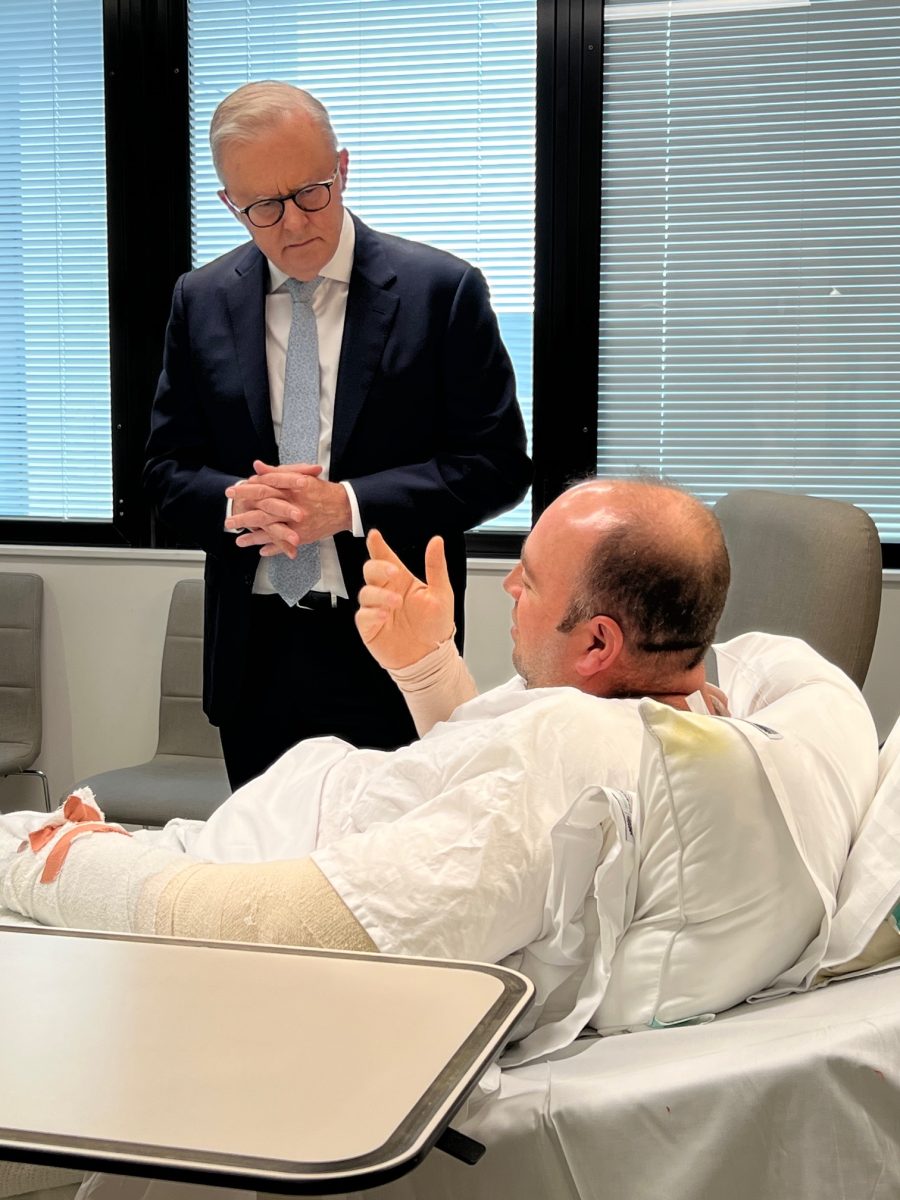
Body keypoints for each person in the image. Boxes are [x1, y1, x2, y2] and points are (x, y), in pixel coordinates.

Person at [0, 479, 877, 1062]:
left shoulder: (577, 757)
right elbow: (502, 808)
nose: (509, 591)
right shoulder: (781, 700)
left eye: (528, 581)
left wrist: (52, 858)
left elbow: (273, 924)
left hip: (212, 892)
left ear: (599, 643)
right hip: (259, 840)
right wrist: (428, 671)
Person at [144, 80, 531, 790]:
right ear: (232, 204)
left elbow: (498, 464)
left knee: (392, 882)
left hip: (392, 650)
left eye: (310, 193)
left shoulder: (440, 292)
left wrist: (346, 505)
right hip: (254, 654)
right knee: (261, 882)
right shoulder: (198, 301)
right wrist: (238, 503)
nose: (291, 223)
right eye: (262, 206)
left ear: (343, 169)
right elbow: (165, 471)